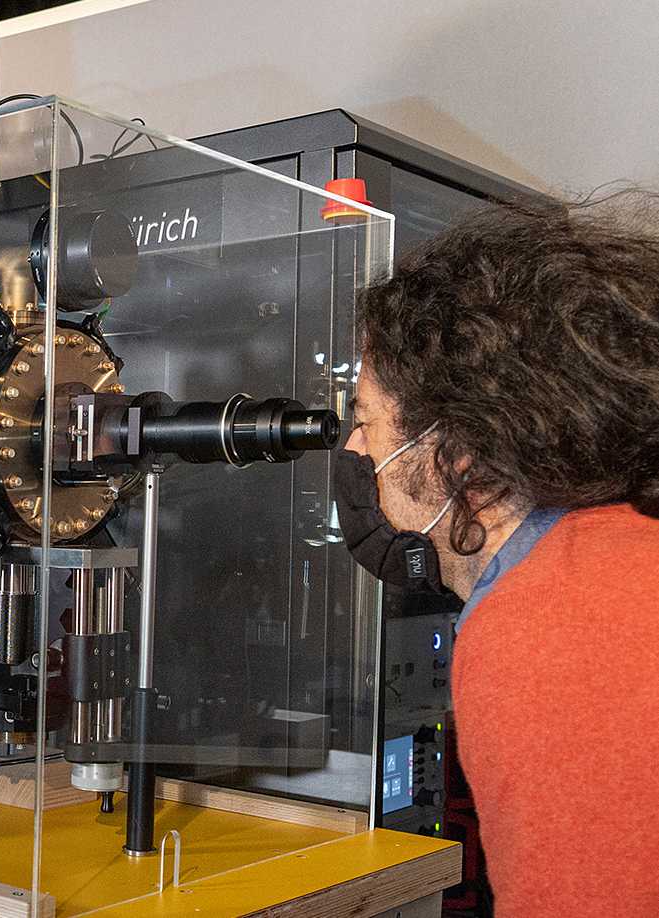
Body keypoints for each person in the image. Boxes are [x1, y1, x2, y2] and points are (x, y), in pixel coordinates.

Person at [336, 192, 659, 916]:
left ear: (459, 451)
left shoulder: (553, 623)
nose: (353, 450)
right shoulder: (618, 551)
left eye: (364, 419)